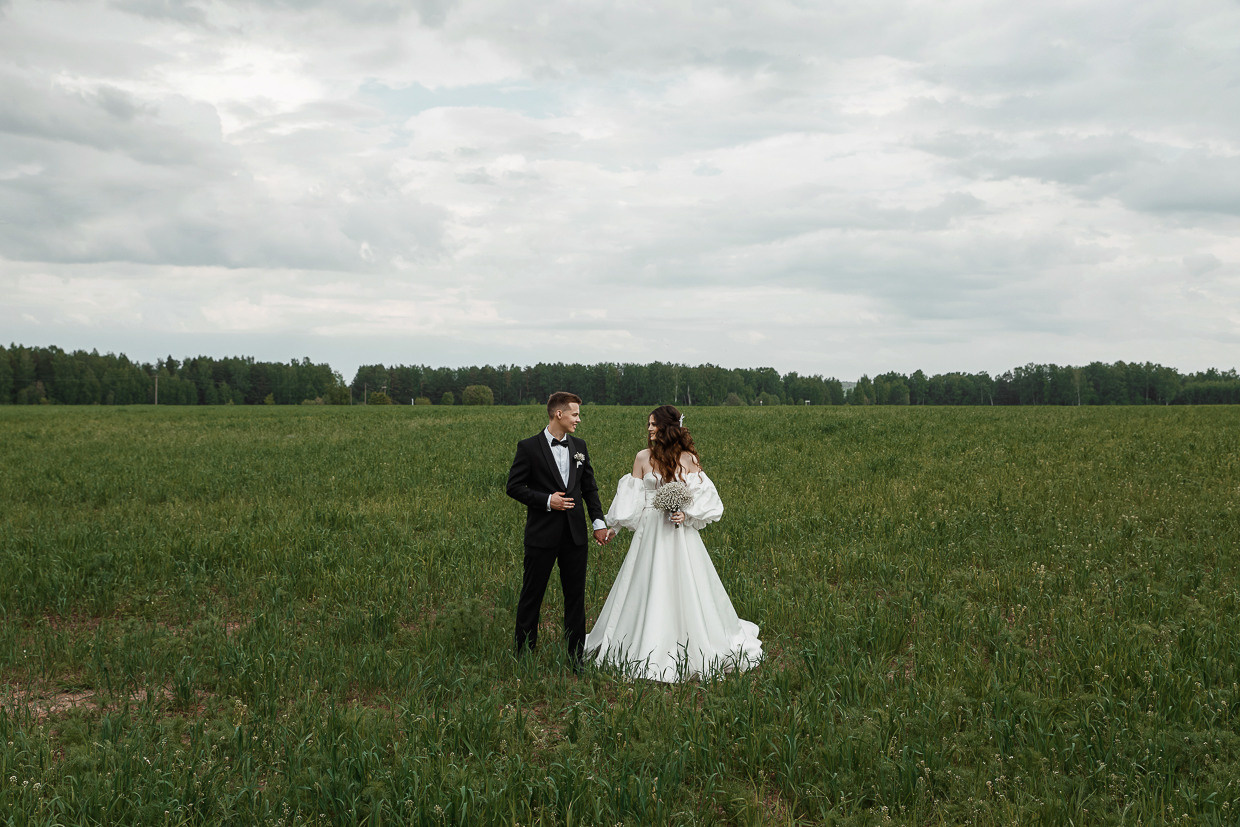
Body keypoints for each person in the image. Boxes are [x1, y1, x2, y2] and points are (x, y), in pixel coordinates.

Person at [584, 404, 762, 682]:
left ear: (669, 428)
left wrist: (686, 513)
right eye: (648, 425)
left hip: (680, 535)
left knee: (686, 585)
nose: (649, 429)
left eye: (654, 424)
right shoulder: (642, 458)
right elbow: (633, 500)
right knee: (647, 583)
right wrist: (613, 528)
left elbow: (707, 499)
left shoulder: (689, 459)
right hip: (650, 533)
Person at [506, 391, 612, 667]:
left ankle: (576, 657)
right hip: (542, 535)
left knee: (575, 597)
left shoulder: (579, 446)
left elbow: (589, 488)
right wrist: (547, 501)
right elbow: (514, 487)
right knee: (532, 594)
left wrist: (598, 522)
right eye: (575, 414)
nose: (579, 419)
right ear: (559, 414)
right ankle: (523, 655)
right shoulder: (528, 447)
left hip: (575, 536)